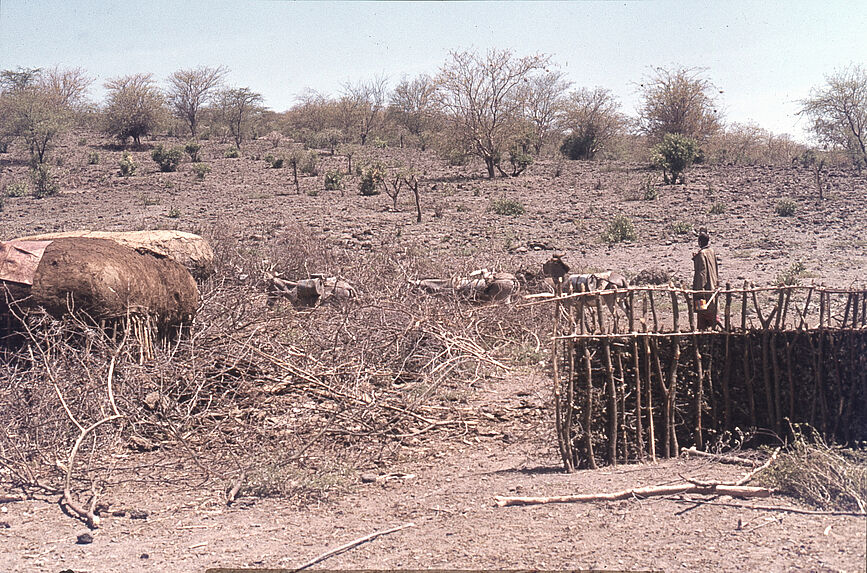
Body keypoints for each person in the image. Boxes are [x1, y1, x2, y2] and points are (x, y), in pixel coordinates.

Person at [692, 228, 720, 330]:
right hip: (713, 288)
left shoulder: (702, 254)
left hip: (704, 292)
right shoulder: (711, 252)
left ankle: (705, 334)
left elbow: (701, 274)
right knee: (712, 312)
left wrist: (699, 292)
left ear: (699, 242)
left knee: (703, 312)